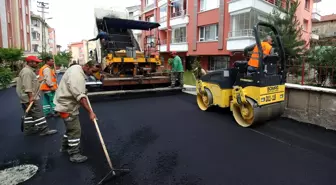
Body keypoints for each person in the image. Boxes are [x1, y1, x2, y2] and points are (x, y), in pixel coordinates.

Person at [54, 61, 101, 163]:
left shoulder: (76, 68)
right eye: (92, 71)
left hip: (64, 103)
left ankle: (65, 147)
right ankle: (74, 154)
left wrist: (83, 91)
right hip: (67, 106)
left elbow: (75, 89)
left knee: (70, 129)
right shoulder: (77, 76)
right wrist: (90, 112)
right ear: (87, 66)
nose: (92, 74)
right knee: (75, 130)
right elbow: (80, 97)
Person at [16, 56, 58, 136]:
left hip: (26, 97)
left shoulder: (28, 71)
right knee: (38, 113)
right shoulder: (27, 72)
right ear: (30, 62)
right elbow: (27, 86)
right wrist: (31, 97)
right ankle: (44, 130)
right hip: (29, 97)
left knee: (29, 114)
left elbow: (31, 82)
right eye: (36, 62)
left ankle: (29, 128)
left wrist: (40, 80)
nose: (38, 63)